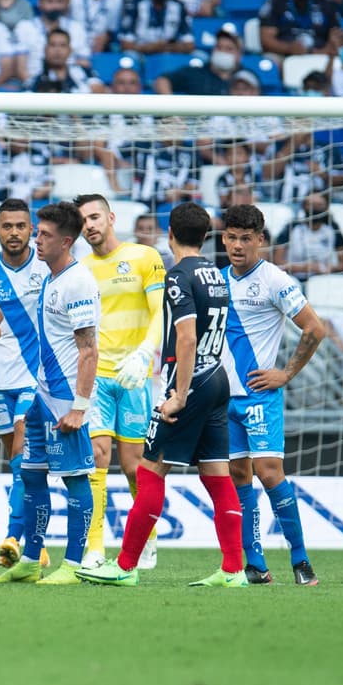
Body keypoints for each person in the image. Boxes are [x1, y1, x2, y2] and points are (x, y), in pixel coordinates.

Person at [77, 201, 248, 588]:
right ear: (207, 236)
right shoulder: (217, 275)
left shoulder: (177, 276)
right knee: (217, 475)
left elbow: (185, 337)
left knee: (150, 470)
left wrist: (179, 394)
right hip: (217, 375)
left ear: (169, 234)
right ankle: (233, 570)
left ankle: (124, 566)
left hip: (191, 382)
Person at [0, 201, 100, 585]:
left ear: (66, 241)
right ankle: (31, 559)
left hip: (66, 401)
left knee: (75, 479)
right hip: (41, 397)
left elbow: (89, 349)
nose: (37, 239)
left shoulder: (78, 281)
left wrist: (80, 408)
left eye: (44, 234)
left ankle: (72, 564)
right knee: (31, 476)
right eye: (38, 232)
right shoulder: (52, 277)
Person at [220, 204, 326, 587]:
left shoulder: (275, 280)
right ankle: (256, 564)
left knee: (268, 473)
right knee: (237, 475)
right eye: (231, 237)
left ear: (260, 241)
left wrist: (286, 373)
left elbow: (315, 329)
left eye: (246, 238)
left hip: (259, 397)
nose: (237, 245)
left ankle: (300, 560)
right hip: (224, 399)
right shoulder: (217, 281)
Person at [75, 193, 166, 571]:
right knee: (96, 457)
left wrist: (145, 353)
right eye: (83, 221)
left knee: (134, 467)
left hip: (136, 378)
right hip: (97, 377)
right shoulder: (80, 269)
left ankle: (146, 540)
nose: (90, 225)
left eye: (95, 217)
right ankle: (94, 547)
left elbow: (161, 312)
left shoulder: (145, 257)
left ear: (111, 217)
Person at [0, 199, 50, 571]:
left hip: (37, 378)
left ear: (31, 229)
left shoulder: (46, 267)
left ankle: (13, 537)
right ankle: (38, 540)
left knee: (24, 455)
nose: (15, 232)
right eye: (8, 226)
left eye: (21, 225)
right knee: (19, 462)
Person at [13, 0, 92, 80]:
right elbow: (21, 69)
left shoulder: (76, 28)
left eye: (59, 1)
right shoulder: (25, 27)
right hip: (36, 84)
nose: (55, 6)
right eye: (50, 1)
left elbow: (84, 63)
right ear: (39, 2)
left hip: (71, 84)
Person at [273, 191, 343, 280]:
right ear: (303, 206)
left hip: (323, 279)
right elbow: (277, 261)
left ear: (326, 207)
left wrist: (326, 268)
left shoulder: (333, 229)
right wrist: (303, 268)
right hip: (292, 278)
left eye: (319, 205)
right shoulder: (292, 228)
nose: (315, 209)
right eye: (311, 205)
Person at [153, 26, 241, 94]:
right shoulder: (196, 73)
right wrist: (172, 111)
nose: (222, 52)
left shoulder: (246, 78)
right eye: (219, 47)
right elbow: (162, 81)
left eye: (229, 49)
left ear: (239, 54)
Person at [25, 28, 103, 93]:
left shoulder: (85, 73)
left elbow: (100, 93)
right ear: (45, 50)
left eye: (62, 45)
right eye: (53, 45)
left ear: (70, 50)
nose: (57, 50)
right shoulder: (36, 81)